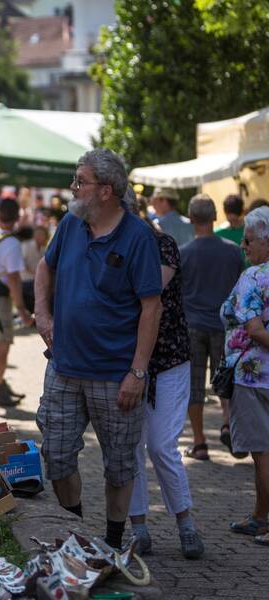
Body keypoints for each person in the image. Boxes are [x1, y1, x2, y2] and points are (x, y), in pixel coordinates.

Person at [34, 148, 162, 550]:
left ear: (106, 191)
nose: (73, 188)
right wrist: (42, 314)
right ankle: (75, 531)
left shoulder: (138, 236)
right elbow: (45, 266)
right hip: (65, 366)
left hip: (115, 374)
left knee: (120, 465)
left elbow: (151, 307)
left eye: (81, 181)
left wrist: (137, 372)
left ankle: (110, 540)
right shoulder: (72, 224)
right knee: (55, 453)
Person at [123, 189, 204, 559]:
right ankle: (138, 528)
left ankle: (185, 522)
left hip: (169, 358)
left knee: (160, 445)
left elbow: (147, 289)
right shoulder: (108, 246)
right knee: (130, 447)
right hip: (124, 362)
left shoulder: (162, 244)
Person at [180, 194, 243, 460]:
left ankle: (199, 442)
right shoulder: (233, 251)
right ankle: (228, 422)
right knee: (226, 380)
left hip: (193, 325)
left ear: (192, 219)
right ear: (215, 216)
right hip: (224, 326)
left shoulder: (183, 253)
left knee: (194, 386)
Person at [220, 206, 269, 547]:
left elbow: (254, 330)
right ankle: (260, 517)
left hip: (255, 378)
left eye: (248, 240)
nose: (242, 246)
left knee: (263, 454)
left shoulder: (254, 277)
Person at [0, 198, 33, 406]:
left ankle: (0, 383)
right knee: (1, 343)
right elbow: (13, 278)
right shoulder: (11, 243)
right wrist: (21, 309)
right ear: (17, 218)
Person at [21, 225, 49, 314]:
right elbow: (21, 262)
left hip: (37, 282)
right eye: (45, 236)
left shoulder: (43, 249)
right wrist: (35, 272)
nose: (46, 239)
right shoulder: (26, 245)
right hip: (26, 281)